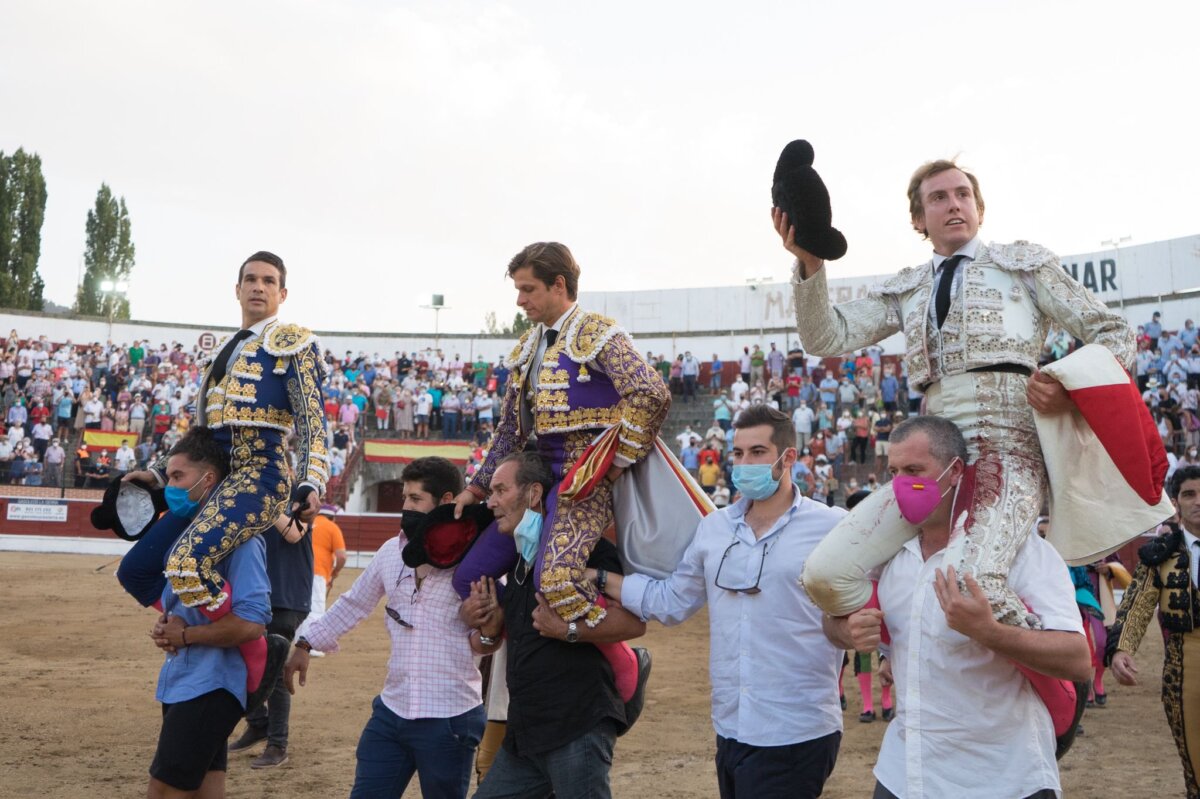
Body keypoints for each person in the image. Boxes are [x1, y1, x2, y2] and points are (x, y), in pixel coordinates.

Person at [778, 157, 1137, 629]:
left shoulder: (1025, 266)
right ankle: (908, 645)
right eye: (939, 198)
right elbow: (826, 337)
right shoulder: (909, 288)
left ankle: (1058, 688)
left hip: (1011, 450)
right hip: (931, 458)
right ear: (917, 219)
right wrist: (810, 262)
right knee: (825, 575)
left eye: (963, 194)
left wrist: (1069, 389)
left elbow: (1116, 333)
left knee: (975, 584)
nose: (954, 205)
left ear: (979, 209)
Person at [823, 416, 1091, 799]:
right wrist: (844, 632)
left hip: (1004, 778)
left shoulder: (1019, 552)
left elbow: (1077, 659)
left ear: (955, 473)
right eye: (894, 471)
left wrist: (989, 632)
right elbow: (832, 623)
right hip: (905, 773)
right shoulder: (886, 555)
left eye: (915, 470)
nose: (901, 483)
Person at [597, 405, 844, 798]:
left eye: (758, 452)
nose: (744, 463)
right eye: (738, 453)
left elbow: (875, 596)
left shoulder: (831, 527)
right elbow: (672, 600)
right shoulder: (715, 528)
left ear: (788, 458)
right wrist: (600, 578)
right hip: (731, 725)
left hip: (796, 729)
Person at [451, 241, 668, 655]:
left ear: (558, 285)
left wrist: (616, 460)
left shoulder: (599, 334)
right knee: (469, 578)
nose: (520, 300)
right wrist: (475, 489)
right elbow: (509, 432)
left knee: (554, 580)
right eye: (517, 289)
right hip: (534, 479)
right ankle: (513, 640)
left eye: (528, 289)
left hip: (585, 480)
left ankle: (619, 662)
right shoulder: (528, 346)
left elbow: (651, 393)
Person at [284, 457, 486, 798]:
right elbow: (355, 602)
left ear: (447, 500)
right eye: (405, 497)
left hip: (450, 715)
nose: (405, 507)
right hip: (393, 711)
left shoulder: (477, 559)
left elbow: (485, 640)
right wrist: (305, 643)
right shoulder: (391, 552)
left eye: (415, 499)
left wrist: (487, 627)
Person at [463, 451, 647, 799]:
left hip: (577, 725)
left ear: (533, 494)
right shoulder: (520, 558)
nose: (491, 503)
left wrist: (569, 631)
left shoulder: (585, 550)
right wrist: (490, 629)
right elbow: (504, 641)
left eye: (501, 490)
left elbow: (635, 623)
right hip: (525, 732)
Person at [142, 427, 272, 799]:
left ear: (209, 478)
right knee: (204, 788)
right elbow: (182, 605)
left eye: (179, 476)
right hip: (189, 679)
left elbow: (252, 623)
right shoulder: (195, 533)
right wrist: (168, 626)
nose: (171, 485)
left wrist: (185, 636)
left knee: (165, 791)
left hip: (212, 684)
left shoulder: (243, 540)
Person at [1108, 465, 1200, 798]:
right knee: (1195, 763)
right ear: (1175, 503)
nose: (1198, 502)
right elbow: (1137, 606)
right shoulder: (1161, 555)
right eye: (1189, 494)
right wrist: (1121, 649)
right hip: (1183, 665)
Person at [227, 478, 314, 769]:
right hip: (256, 595)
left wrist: (264, 501)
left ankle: (278, 744)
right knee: (238, 659)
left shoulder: (300, 494)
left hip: (286, 597)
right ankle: (259, 723)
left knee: (273, 672)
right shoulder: (243, 495)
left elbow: (294, 535)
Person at [294, 503, 347, 656]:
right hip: (318, 572)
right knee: (316, 608)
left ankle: (299, 640)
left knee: (300, 606)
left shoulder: (305, 523)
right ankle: (310, 646)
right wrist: (335, 571)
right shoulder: (331, 527)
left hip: (297, 571)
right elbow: (341, 556)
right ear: (332, 517)